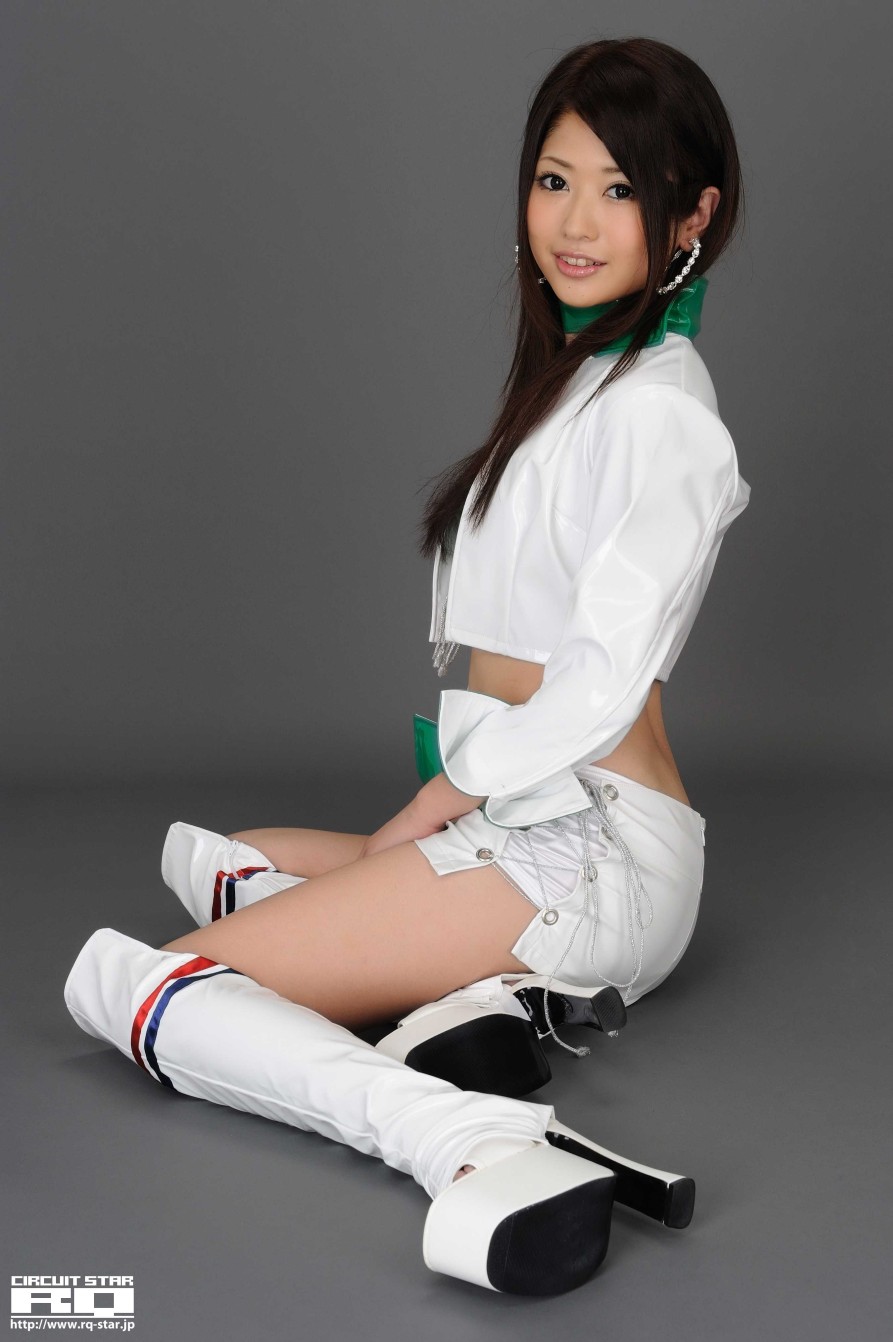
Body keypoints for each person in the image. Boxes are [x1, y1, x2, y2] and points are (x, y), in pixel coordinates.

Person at [64, 36, 752, 1297]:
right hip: (531, 814)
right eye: (553, 181)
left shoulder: (662, 411)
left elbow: (596, 683)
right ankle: (487, 1010)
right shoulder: (578, 376)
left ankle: (462, 1137)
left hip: (586, 843)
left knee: (147, 986)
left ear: (692, 214)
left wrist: (426, 810)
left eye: (620, 189)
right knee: (220, 858)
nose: (575, 223)